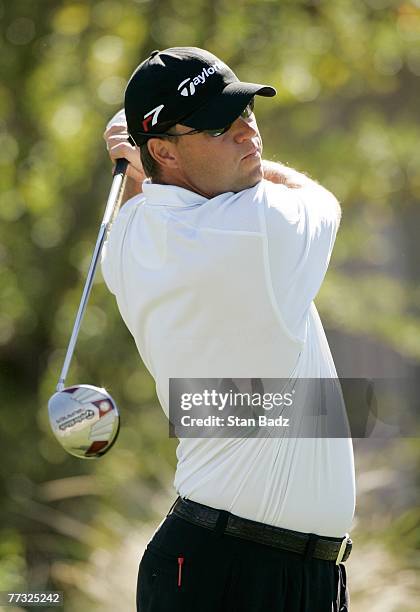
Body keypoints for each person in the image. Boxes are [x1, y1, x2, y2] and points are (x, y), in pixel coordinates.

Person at [101, 47, 355, 612]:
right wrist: (140, 164)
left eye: (246, 112)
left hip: (224, 563)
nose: (247, 134)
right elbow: (323, 201)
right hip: (235, 572)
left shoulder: (125, 240)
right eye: (220, 125)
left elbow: (149, 199)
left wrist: (141, 166)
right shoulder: (257, 227)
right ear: (165, 149)